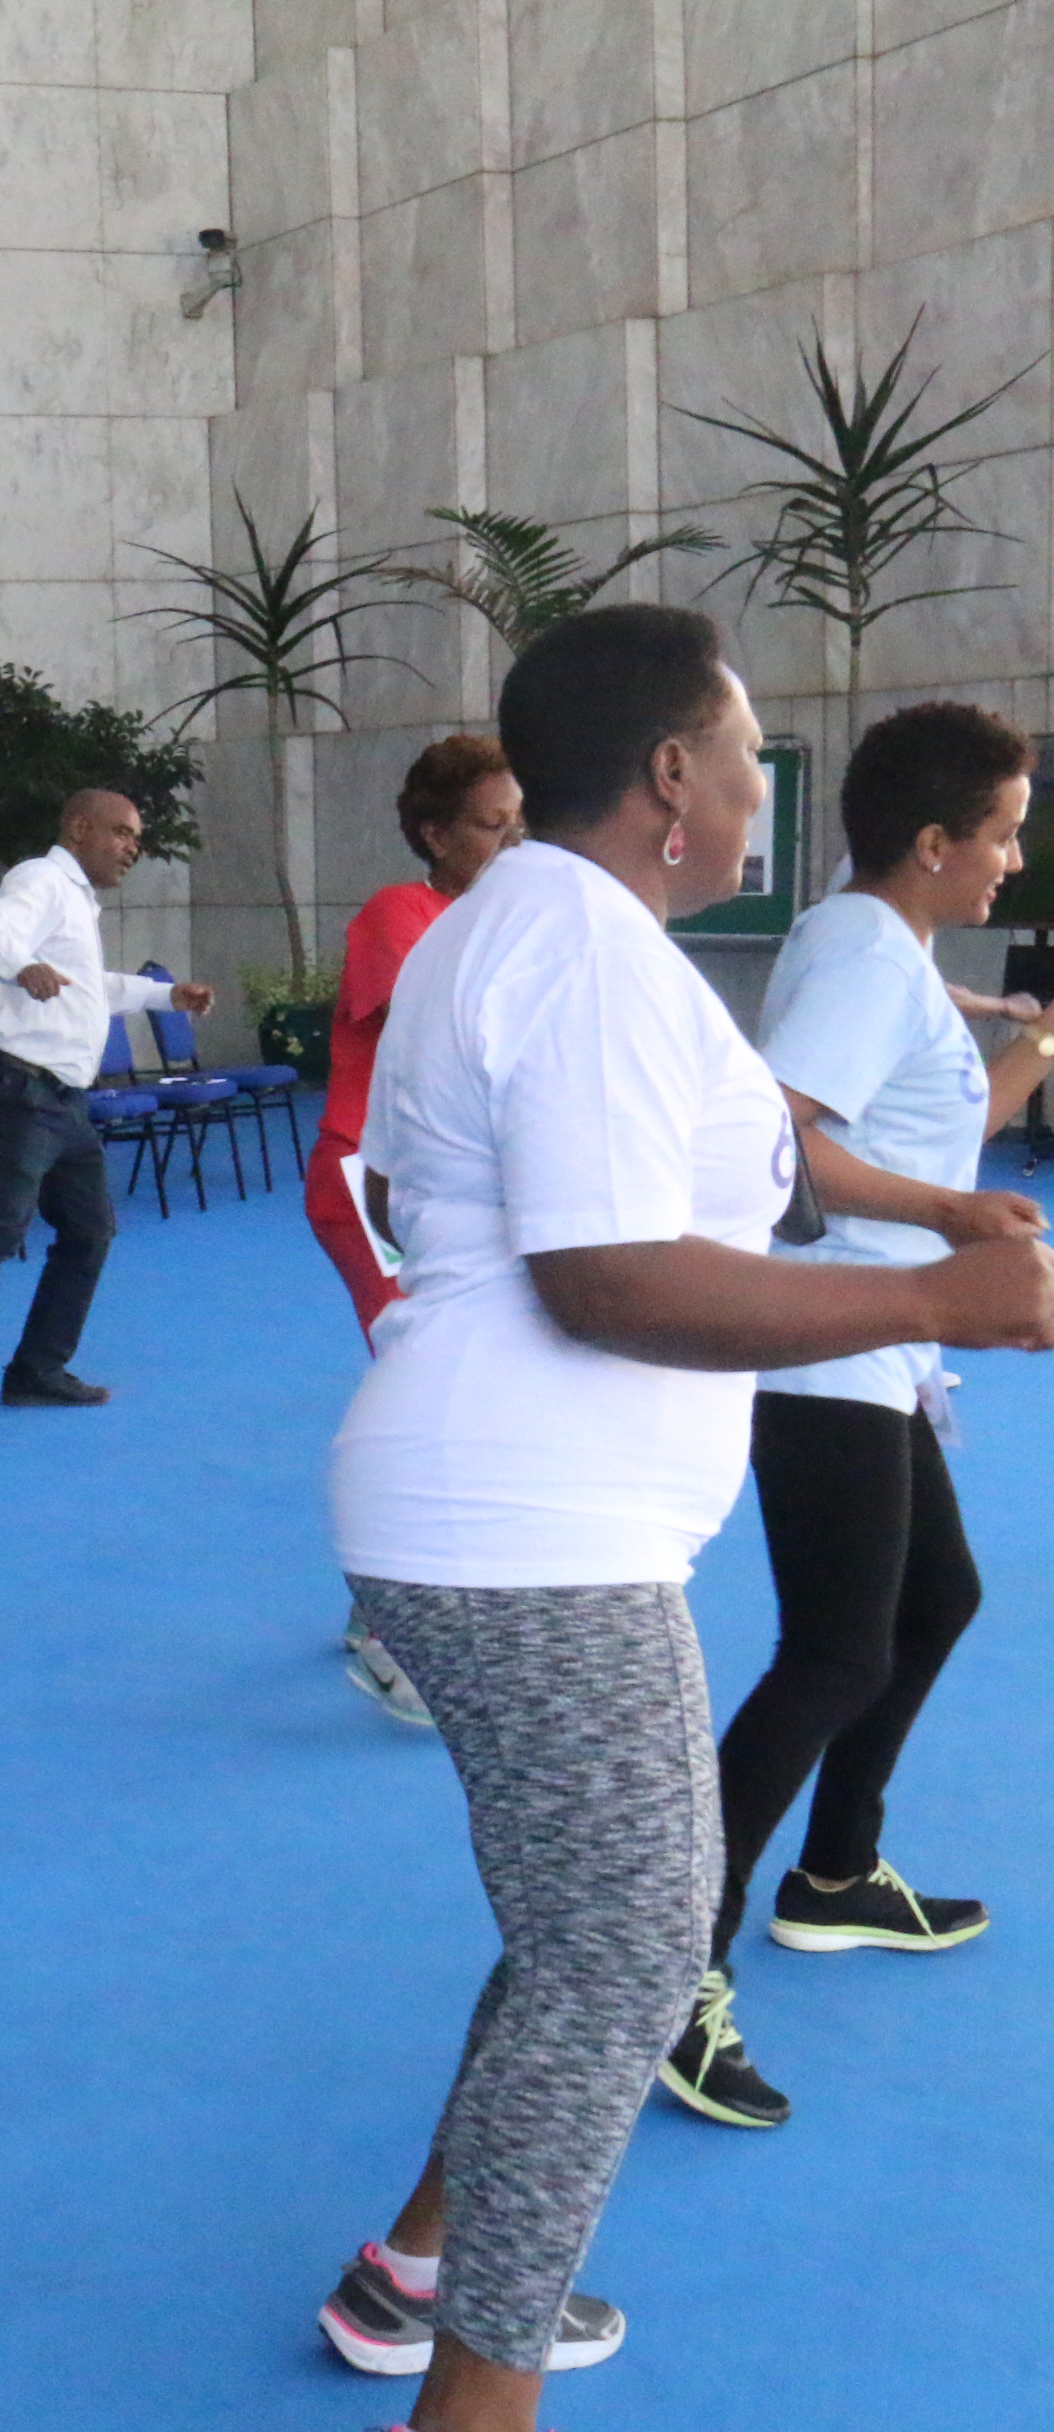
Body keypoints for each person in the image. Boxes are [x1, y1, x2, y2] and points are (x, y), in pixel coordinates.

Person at [312, 606, 1054, 2430]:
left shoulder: (561, 934)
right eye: (737, 754)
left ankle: (414, 2262)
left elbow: (763, 1164)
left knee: (587, 1920)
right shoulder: (577, 948)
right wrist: (923, 1304)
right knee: (633, 1950)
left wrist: (938, 1217)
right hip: (524, 1529)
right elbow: (609, 1280)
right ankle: (473, 2393)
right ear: (667, 775)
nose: (753, 789)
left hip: (518, 1510)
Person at [658, 702, 1054, 2134]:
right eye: (1001, 834)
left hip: (885, 1347)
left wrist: (1035, 1053)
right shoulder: (861, 958)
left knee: (935, 1598)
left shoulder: (891, 954)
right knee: (833, 1656)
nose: (1013, 858)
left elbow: (930, 1135)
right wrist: (953, 1216)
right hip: (821, 1348)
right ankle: (670, 1970)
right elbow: (783, 1136)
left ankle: (835, 1875)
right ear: (934, 841)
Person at [0, 789, 216, 1451]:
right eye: (122, 833)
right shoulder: (40, 878)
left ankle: (36, 1369)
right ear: (78, 826)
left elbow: (94, 986)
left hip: (62, 1101)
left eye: (136, 837)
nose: (132, 848)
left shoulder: (77, 902)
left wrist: (165, 994)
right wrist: (22, 964)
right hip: (17, 1091)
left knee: (91, 1231)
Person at [309, 738, 524, 1728]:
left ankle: (377, 1613)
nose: (511, 835)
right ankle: (397, 1635)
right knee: (436, 1388)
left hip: (435, 1192)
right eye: (490, 821)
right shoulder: (402, 914)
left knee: (437, 1384)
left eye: (519, 818)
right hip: (367, 1177)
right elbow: (447, 1041)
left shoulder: (494, 918)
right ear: (434, 832)